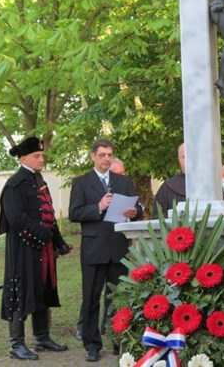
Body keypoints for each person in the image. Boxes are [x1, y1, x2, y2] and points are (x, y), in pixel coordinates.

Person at [69, 139, 142, 362]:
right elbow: (74, 213)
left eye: (110, 154)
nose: (106, 159)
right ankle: (92, 344)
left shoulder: (122, 180)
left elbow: (137, 207)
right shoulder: (81, 182)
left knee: (119, 298)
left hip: (118, 247)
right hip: (93, 249)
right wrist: (98, 207)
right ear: (93, 156)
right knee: (91, 297)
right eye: (102, 155)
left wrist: (134, 211)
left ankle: (120, 339)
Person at [0, 137, 71, 361]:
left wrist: (58, 241)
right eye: (36, 156)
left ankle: (42, 337)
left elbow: (49, 215)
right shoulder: (14, 184)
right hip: (23, 248)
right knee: (21, 290)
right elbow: (16, 218)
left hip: (44, 248)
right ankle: (16, 344)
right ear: (23, 159)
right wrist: (44, 235)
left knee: (43, 287)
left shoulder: (39, 180)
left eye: (42, 155)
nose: (42, 159)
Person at [153, 143, 186, 218]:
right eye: (184, 156)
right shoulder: (167, 187)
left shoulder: (210, 185)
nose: (189, 159)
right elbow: (158, 217)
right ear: (179, 159)